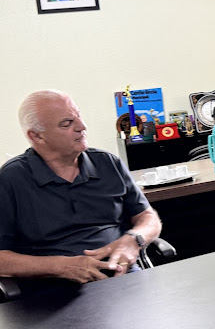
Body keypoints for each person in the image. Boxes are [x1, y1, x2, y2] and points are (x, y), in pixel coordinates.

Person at [0, 90, 162, 295]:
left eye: (78, 116)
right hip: (51, 294)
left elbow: (148, 218)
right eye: (67, 123)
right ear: (37, 136)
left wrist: (134, 239)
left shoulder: (107, 163)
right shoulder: (11, 178)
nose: (82, 127)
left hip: (121, 280)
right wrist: (61, 267)